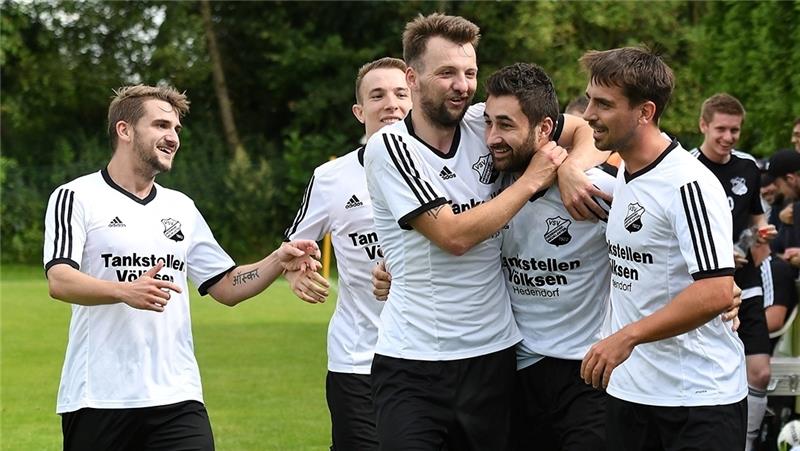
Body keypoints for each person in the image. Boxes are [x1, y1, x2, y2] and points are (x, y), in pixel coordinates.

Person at [363, 13, 605, 450]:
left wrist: (570, 168)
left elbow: (581, 126)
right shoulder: (390, 147)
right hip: (414, 363)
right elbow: (453, 236)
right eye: (447, 73)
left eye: (469, 72)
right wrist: (535, 177)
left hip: (494, 358)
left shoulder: (483, 121)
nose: (462, 85)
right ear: (412, 78)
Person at [43, 84, 320, 451]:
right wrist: (125, 292)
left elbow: (227, 286)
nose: (172, 137)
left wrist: (277, 259)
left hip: (178, 397)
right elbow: (60, 280)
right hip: (99, 398)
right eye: (160, 125)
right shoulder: (76, 196)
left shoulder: (181, 208)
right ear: (124, 130)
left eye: (175, 129)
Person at [578, 47, 747, 451]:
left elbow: (717, 291)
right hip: (632, 394)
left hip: (697, 402)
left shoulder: (688, 184)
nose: (588, 114)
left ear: (645, 112)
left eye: (603, 103)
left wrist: (626, 337)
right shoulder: (624, 179)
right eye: (588, 99)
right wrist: (567, 171)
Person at [283, 57, 412, 451]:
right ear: (360, 111)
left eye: (400, 93)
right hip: (359, 361)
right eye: (377, 95)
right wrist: (297, 271)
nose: (390, 103)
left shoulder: (449, 165)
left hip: (429, 356)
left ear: (415, 99)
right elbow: (293, 251)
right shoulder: (331, 178)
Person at [484, 63, 615, 450]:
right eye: (488, 123)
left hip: (588, 375)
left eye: (506, 125)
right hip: (515, 371)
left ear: (544, 128)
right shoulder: (489, 186)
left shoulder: (597, 190)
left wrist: (725, 291)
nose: (492, 137)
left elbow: (662, 245)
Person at [689, 93, 776, 450]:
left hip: (747, 282)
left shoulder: (748, 166)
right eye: (721, 129)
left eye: (735, 130)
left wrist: (760, 236)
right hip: (706, 289)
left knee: (760, 372)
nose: (728, 137)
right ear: (704, 126)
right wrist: (719, 256)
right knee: (707, 375)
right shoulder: (686, 169)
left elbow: (757, 216)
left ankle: (748, 443)